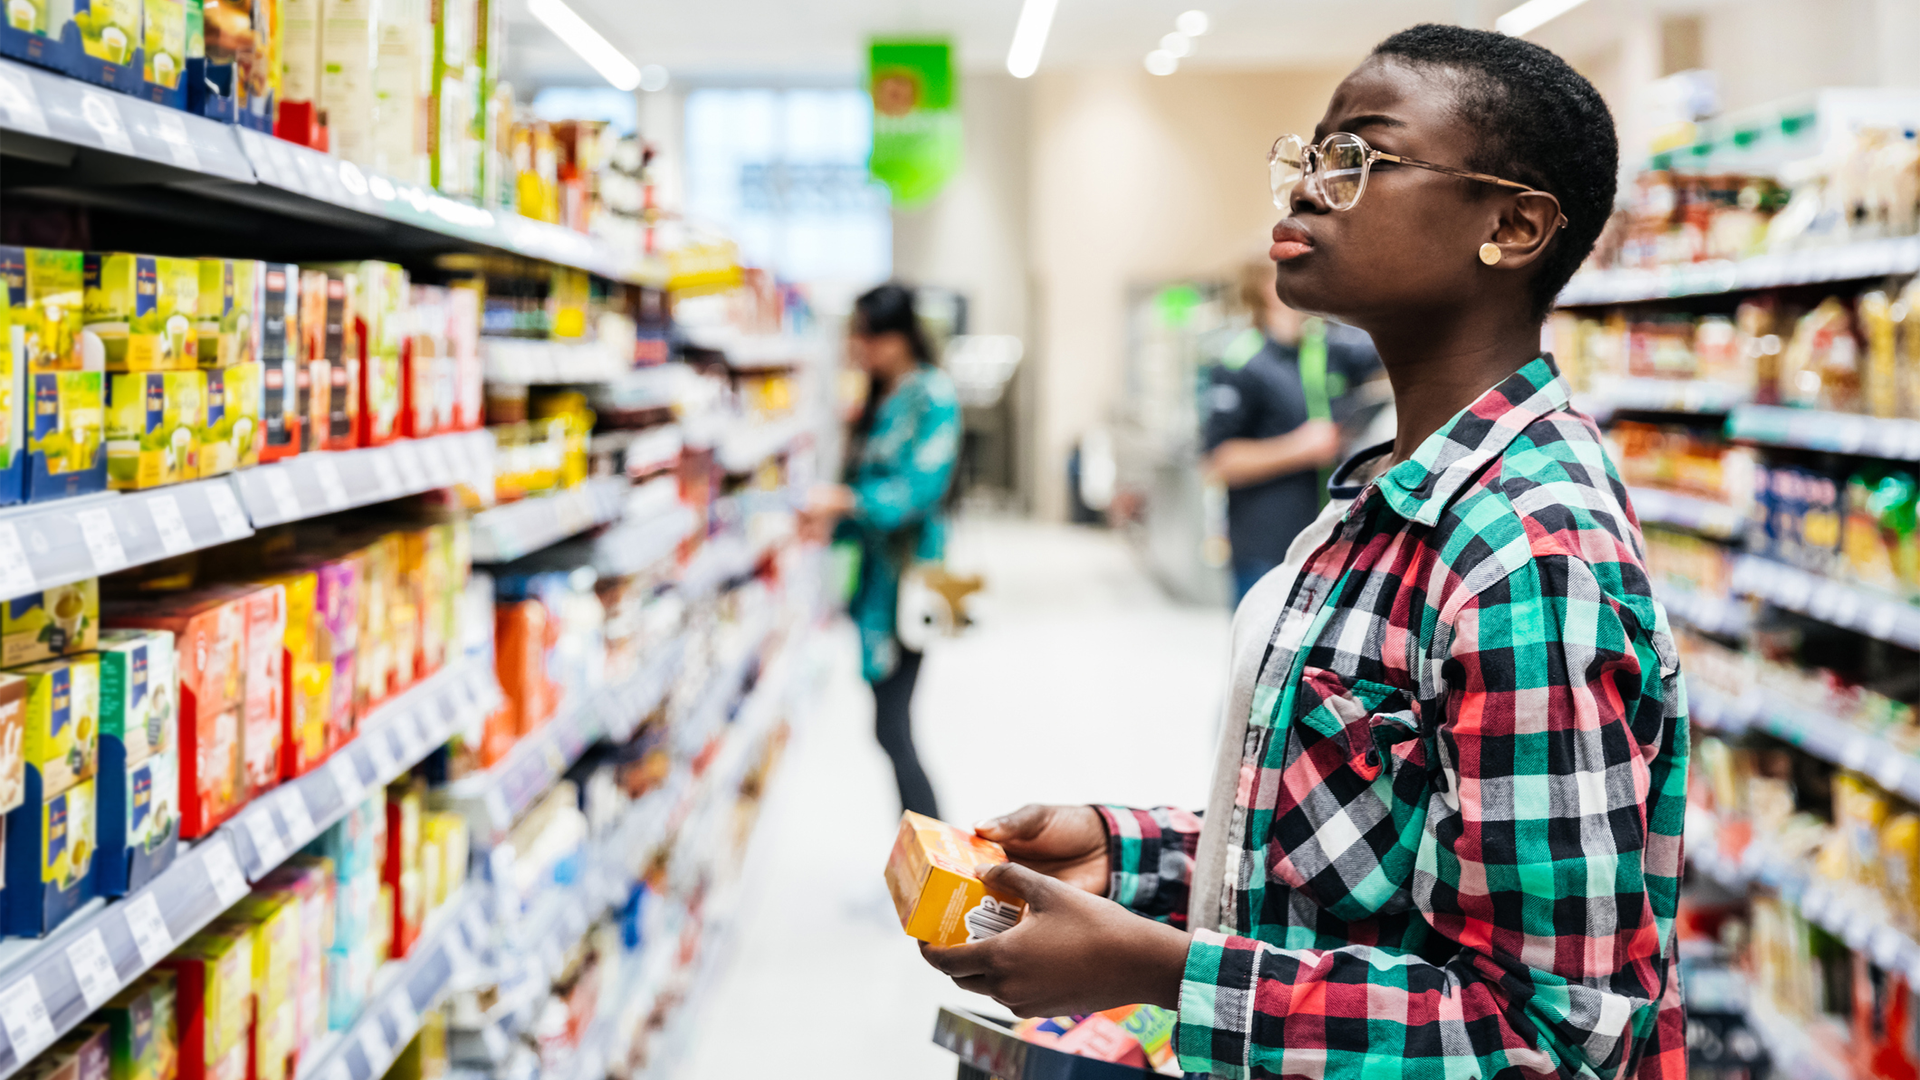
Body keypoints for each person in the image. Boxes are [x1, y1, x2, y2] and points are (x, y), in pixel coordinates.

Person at [919, 24, 1687, 1080]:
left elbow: (1547, 1037)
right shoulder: (1390, 490)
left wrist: (1164, 973)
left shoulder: (1526, 554)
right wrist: (1131, 857)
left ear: (1512, 225)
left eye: (1360, 158)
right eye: (1309, 154)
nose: (1307, 188)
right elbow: (1363, 844)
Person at [803, 283, 961, 820]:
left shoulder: (934, 395)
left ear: (898, 338)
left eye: (866, 336)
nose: (857, 348)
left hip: (913, 577)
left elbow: (919, 490)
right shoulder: (878, 397)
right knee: (887, 725)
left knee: (893, 726)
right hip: (873, 581)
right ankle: (921, 860)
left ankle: (939, 863)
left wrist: (844, 501)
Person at [1205, 263, 1381, 604]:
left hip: (1333, 541)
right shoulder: (1241, 361)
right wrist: (1300, 448)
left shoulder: (1333, 349)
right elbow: (1218, 462)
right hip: (1266, 548)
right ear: (1262, 286)